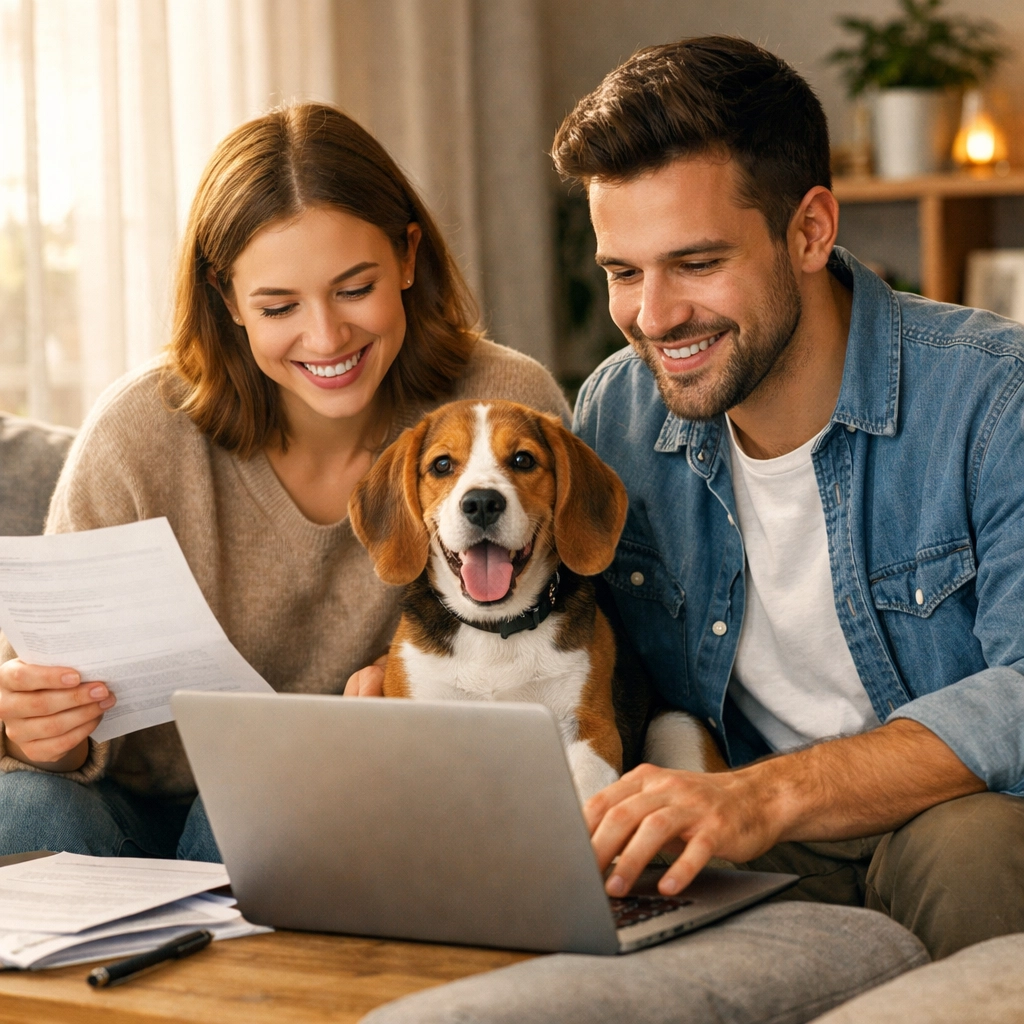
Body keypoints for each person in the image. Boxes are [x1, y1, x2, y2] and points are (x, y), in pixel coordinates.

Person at [553, 37, 1024, 961]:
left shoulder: (993, 398)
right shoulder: (614, 410)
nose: (653, 317)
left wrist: (764, 796)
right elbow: (582, 647)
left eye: (694, 263)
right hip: (740, 821)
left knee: (975, 849)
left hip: (943, 812)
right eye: (622, 272)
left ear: (809, 231)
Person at [0, 102, 568, 862]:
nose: (327, 337)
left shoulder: (504, 404)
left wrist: (434, 681)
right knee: (27, 807)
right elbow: (38, 698)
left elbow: (574, 621)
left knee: (247, 811)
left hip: (338, 806)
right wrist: (38, 733)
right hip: (120, 803)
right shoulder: (138, 430)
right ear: (227, 297)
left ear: (407, 257)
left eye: (354, 288)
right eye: (277, 306)